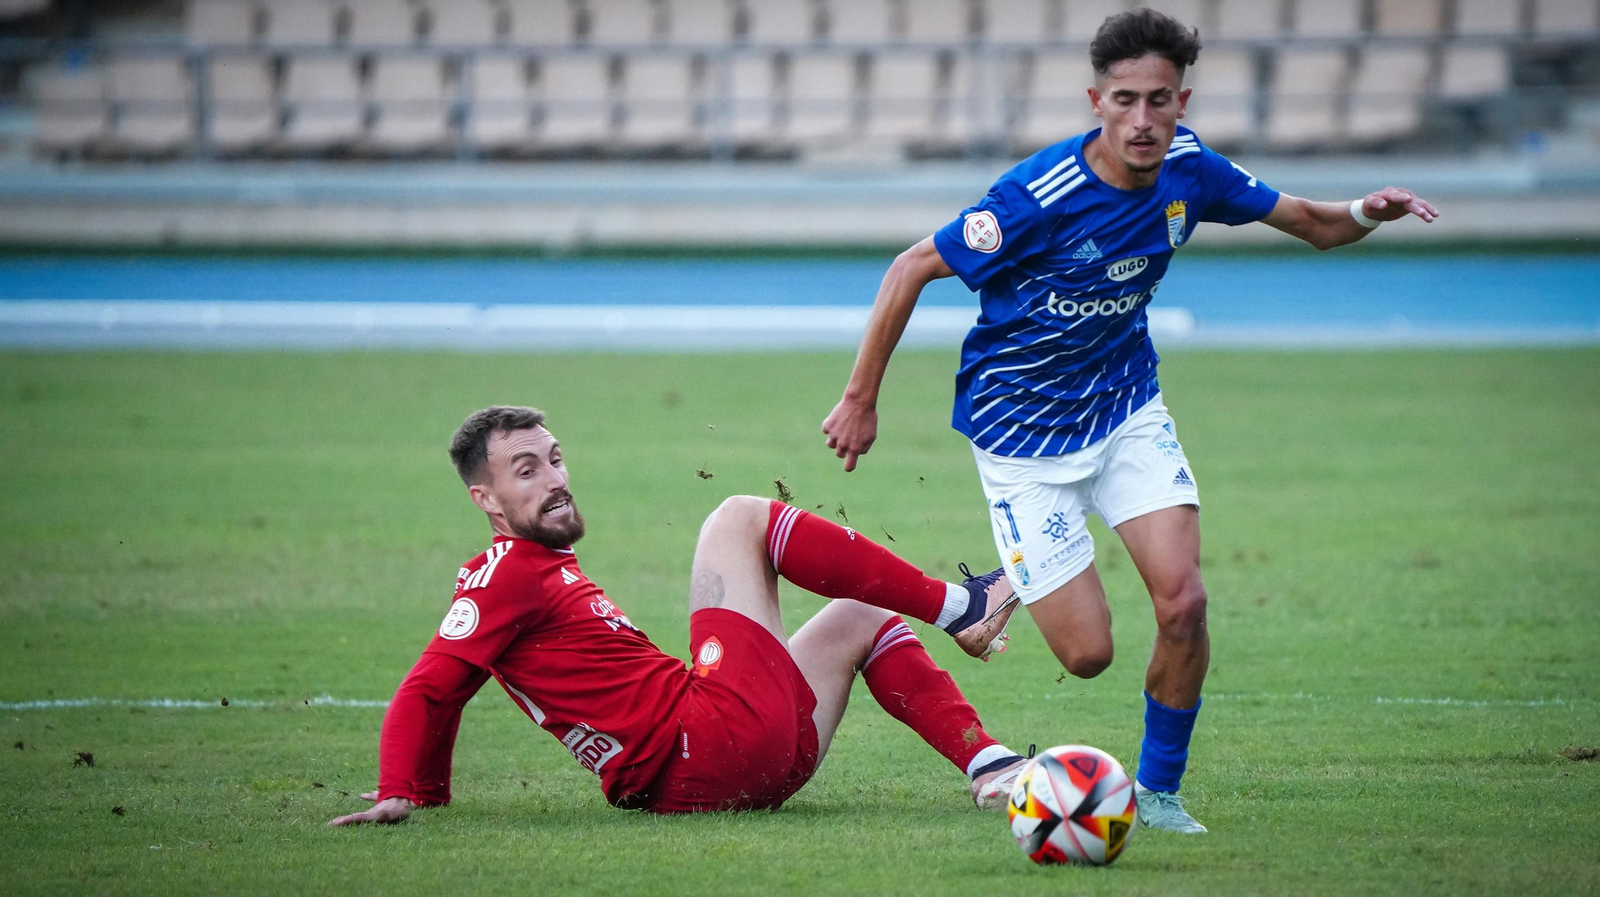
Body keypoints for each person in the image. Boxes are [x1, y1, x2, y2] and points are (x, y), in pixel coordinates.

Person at [820, 8, 1439, 834]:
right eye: (1124, 100)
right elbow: (911, 267)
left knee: (1184, 602)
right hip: (1021, 438)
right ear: (1096, 101)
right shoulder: (1038, 197)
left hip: (1125, 411)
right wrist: (861, 398)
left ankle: (1157, 792)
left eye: (1159, 100)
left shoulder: (1193, 170)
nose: (1143, 120)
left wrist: (1368, 208)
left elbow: (1315, 225)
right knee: (1088, 655)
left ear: (1181, 100)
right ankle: (1009, 581)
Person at [328, 405, 1030, 826]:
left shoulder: (537, 570)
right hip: (711, 744)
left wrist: (424, 792)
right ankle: (962, 605)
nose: (556, 479)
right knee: (738, 519)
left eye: (556, 459)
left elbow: (451, 692)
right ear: (485, 499)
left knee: (860, 614)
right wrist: (399, 790)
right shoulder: (505, 574)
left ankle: (991, 767)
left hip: (730, 770)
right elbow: (431, 685)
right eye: (527, 470)